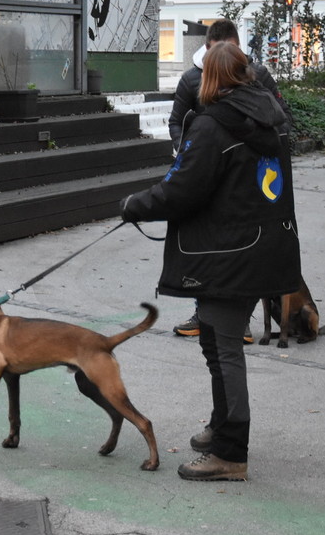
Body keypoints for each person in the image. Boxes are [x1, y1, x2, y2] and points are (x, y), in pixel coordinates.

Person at [121, 43, 300, 481]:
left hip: (226, 254)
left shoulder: (213, 124)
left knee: (224, 350)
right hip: (262, 246)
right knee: (216, 343)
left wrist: (134, 204)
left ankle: (230, 452)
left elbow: (183, 188)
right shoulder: (269, 117)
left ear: (212, 79)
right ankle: (222, 427)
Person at [167, 19, 291, 339]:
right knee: (204, 249)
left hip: (248, 181)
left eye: (230, 51)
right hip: (206, 177)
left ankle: (241, 319)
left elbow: (281, 120)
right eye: (215, 53)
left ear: (238, 47)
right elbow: (177, 122)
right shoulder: (191, 79)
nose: (222, 60)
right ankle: (204, 313)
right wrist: (187, 155)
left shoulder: (258, 75)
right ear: (205, 51)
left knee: (245, 249)